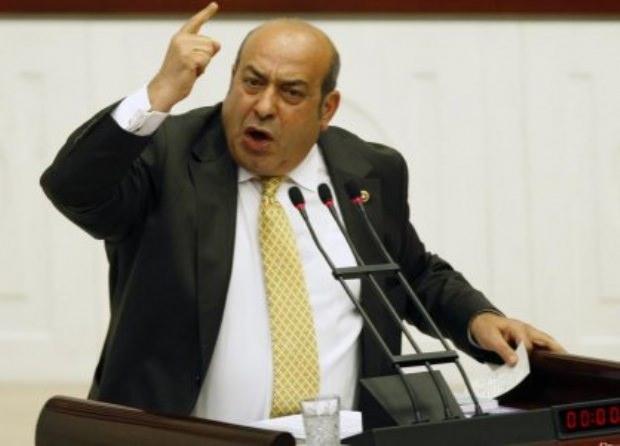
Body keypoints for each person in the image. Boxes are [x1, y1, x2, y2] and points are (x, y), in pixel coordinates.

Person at [40, 3, 564, 423]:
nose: (264, 106)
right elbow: (72, 189)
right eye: (251, 82)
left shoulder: (368, 170)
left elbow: (410, 272)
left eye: (291, 93)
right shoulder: (168, 154)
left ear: (326, 109)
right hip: (185, 437)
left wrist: (477, 318)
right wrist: (159, 93)